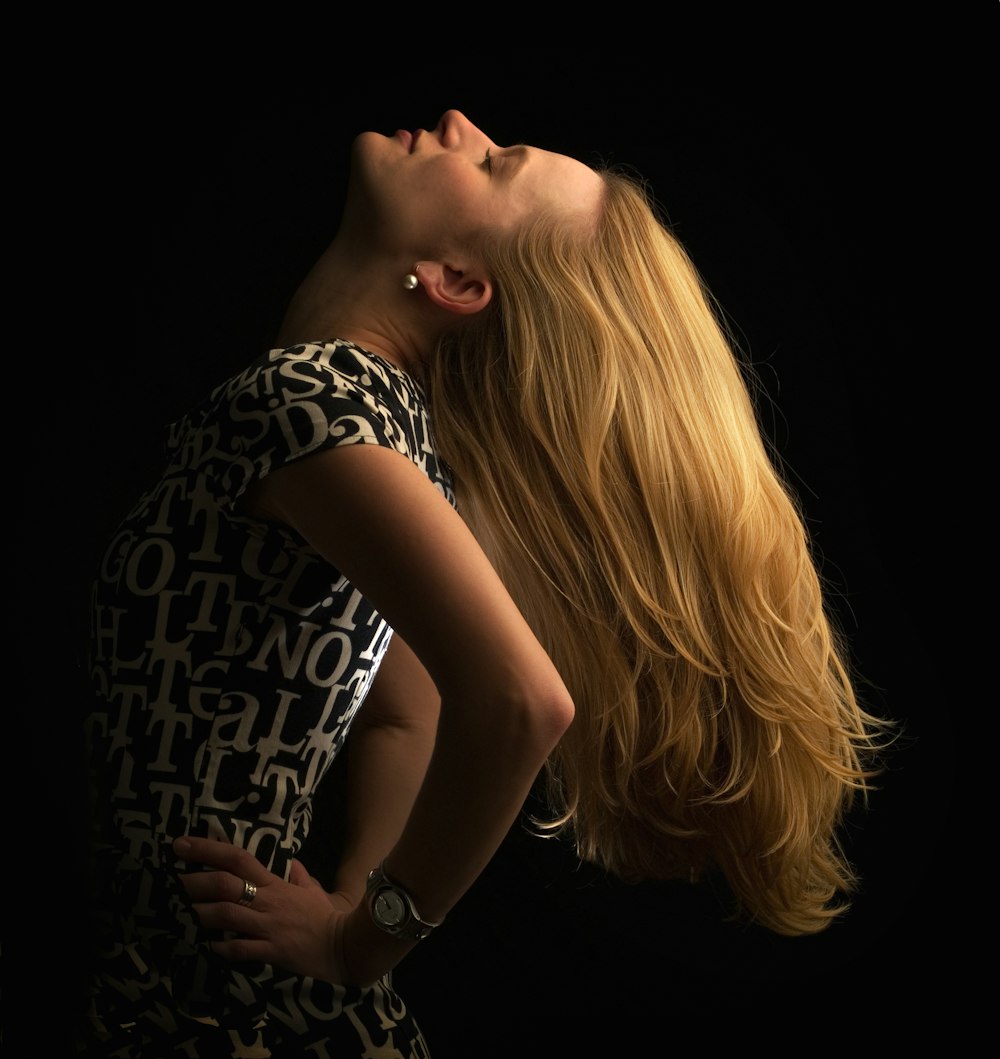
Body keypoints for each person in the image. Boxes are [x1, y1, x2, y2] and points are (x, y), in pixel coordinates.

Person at [77, 109, 891, 1057]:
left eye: (494, 162)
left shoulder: (307, 404)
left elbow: (519, 701)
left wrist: (360, 934)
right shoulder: (387, 442)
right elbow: (406, 709)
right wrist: (352, 912)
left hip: (196, 999)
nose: (461, 123)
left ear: (459, 283)